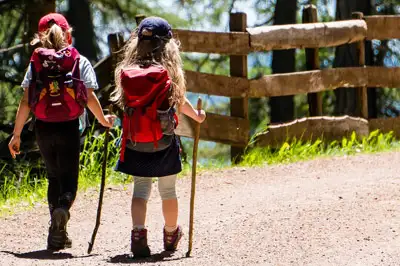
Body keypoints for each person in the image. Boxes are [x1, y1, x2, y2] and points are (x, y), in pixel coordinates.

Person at [8, 13, 115, 251]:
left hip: (43, 127)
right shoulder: (78, 60)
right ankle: (63, 211)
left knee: (53, 176)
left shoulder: (35, 64)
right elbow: (89, 97)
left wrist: (16, 135)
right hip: (70, 126)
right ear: (68, 35)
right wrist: (104, 120)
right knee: (70, 181)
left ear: (39, 37)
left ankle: (57, 232)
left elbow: (26, 101)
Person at [111, 16, 206, 257]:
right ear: (168, 45)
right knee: (168, 191)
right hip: (162, 142)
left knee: (140, 190)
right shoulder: (168, 72)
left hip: (134, 142)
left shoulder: (126, 72)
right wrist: (197, 116)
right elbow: (179, 101)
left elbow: (122, 104)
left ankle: (138, 234)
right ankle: (171, 234)